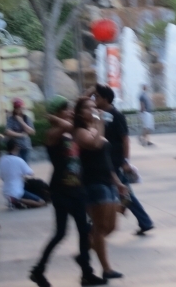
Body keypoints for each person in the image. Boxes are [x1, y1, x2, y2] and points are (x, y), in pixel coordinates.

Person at [30, 96, 106, 287]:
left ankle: (86, 274)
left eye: (71, 109)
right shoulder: (53, 134)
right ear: (57, 113)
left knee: (84, 231)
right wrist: (54, 118)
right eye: (66, 109)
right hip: (61, 190)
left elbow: (92, 138)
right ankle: (38, 271)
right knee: (60, 233)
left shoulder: (71, 133)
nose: (71, 112)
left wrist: (95, 120)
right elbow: (67, 125)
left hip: (77, 189)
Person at [75, 96, 128, 280]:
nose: (93, 109)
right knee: (100, 227)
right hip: (93, 183)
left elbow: (106, 160)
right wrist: (99, 121)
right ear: (79, 113)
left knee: (111, 226)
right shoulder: (79, 131)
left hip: (107, 181)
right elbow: (95, 144)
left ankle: (84, 252)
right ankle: (106, 268)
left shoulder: (95, 128)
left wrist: (117, 182)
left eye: (94, 106)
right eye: (88, 107)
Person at [93, 84, 154, 236]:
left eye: (97, 96)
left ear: (106, 98)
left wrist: (126, 161)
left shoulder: (116, 115)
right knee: (124, 193)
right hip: (105, 160)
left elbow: (125, 139)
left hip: (115, 161)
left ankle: (143, 220)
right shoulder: (100, 115)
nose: (95, 99)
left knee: (124, 193)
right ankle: (142, 220)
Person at [0, 138, 46, 209]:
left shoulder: (1, 160)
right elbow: (31, 173)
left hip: (6, 191)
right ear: (16, 147)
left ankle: (14, 201)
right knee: (42, 202)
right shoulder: (19, 160)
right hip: (17, 191)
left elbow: (2, 177)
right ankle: (17, 200)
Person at [5, 99, 36, 163]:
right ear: (14, 109)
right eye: (17, 108)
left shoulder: (26, 118)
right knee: (17, 165)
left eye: (20, 107)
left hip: (26, 146)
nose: (19, 109)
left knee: (25, 165)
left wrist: (21, 122)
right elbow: (8, 131)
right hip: (15, 147)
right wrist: (21, 135)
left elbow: (32, 132)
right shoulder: (11, 119)